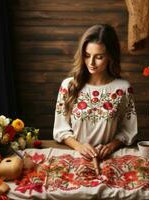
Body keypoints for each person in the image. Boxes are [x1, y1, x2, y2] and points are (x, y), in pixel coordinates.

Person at [53, 24, 138, 160]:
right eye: (87, 55)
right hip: (76, 157)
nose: (91, 62)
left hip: (110, 159)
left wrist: (111, 146)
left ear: (110, 56)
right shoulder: (68, 86)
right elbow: (60, 129)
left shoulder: (123, 89)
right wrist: (79, 146)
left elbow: (129, 130)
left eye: (99, 57)